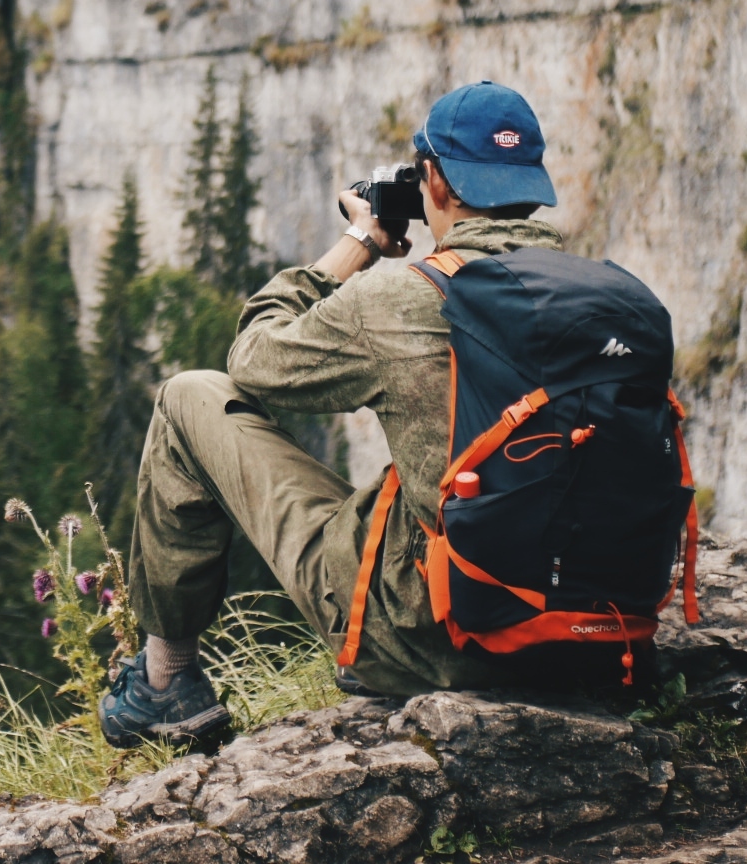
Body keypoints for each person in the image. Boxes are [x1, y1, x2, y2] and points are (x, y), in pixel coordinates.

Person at [99, 81, 565, 745]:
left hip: (442, 636)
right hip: (592, 623)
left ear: (432, 182)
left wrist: (359, 242)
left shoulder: (405, 299)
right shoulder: (610, 297)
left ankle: (166, 684)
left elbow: (254, 361)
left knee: (188, 396)